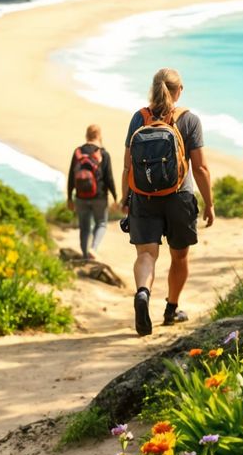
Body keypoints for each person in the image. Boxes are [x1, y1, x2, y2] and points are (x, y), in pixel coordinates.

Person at [123, 67, 214, 336]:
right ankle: (171, 309)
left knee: (146, 255)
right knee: (180, 256)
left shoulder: (138, 118)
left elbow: (128, 165)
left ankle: (142, 293)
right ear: (179, 91)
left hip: (144, 196)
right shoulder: (189, 120)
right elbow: (200, 169)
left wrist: (125, 196)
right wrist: (209, 203)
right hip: (179, 197)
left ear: (153, 89)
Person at [64, 124, 118, 259]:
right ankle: (93, 248)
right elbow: (109, 178)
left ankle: (85, 256)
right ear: (99, 136)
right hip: (99, 197)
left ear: (87, 136)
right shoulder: (103, 154)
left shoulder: (77, 152)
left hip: (81, 197)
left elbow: (71, 176)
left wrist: (70, 198)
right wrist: (116, 197)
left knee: (84, 228)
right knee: (101, 223)